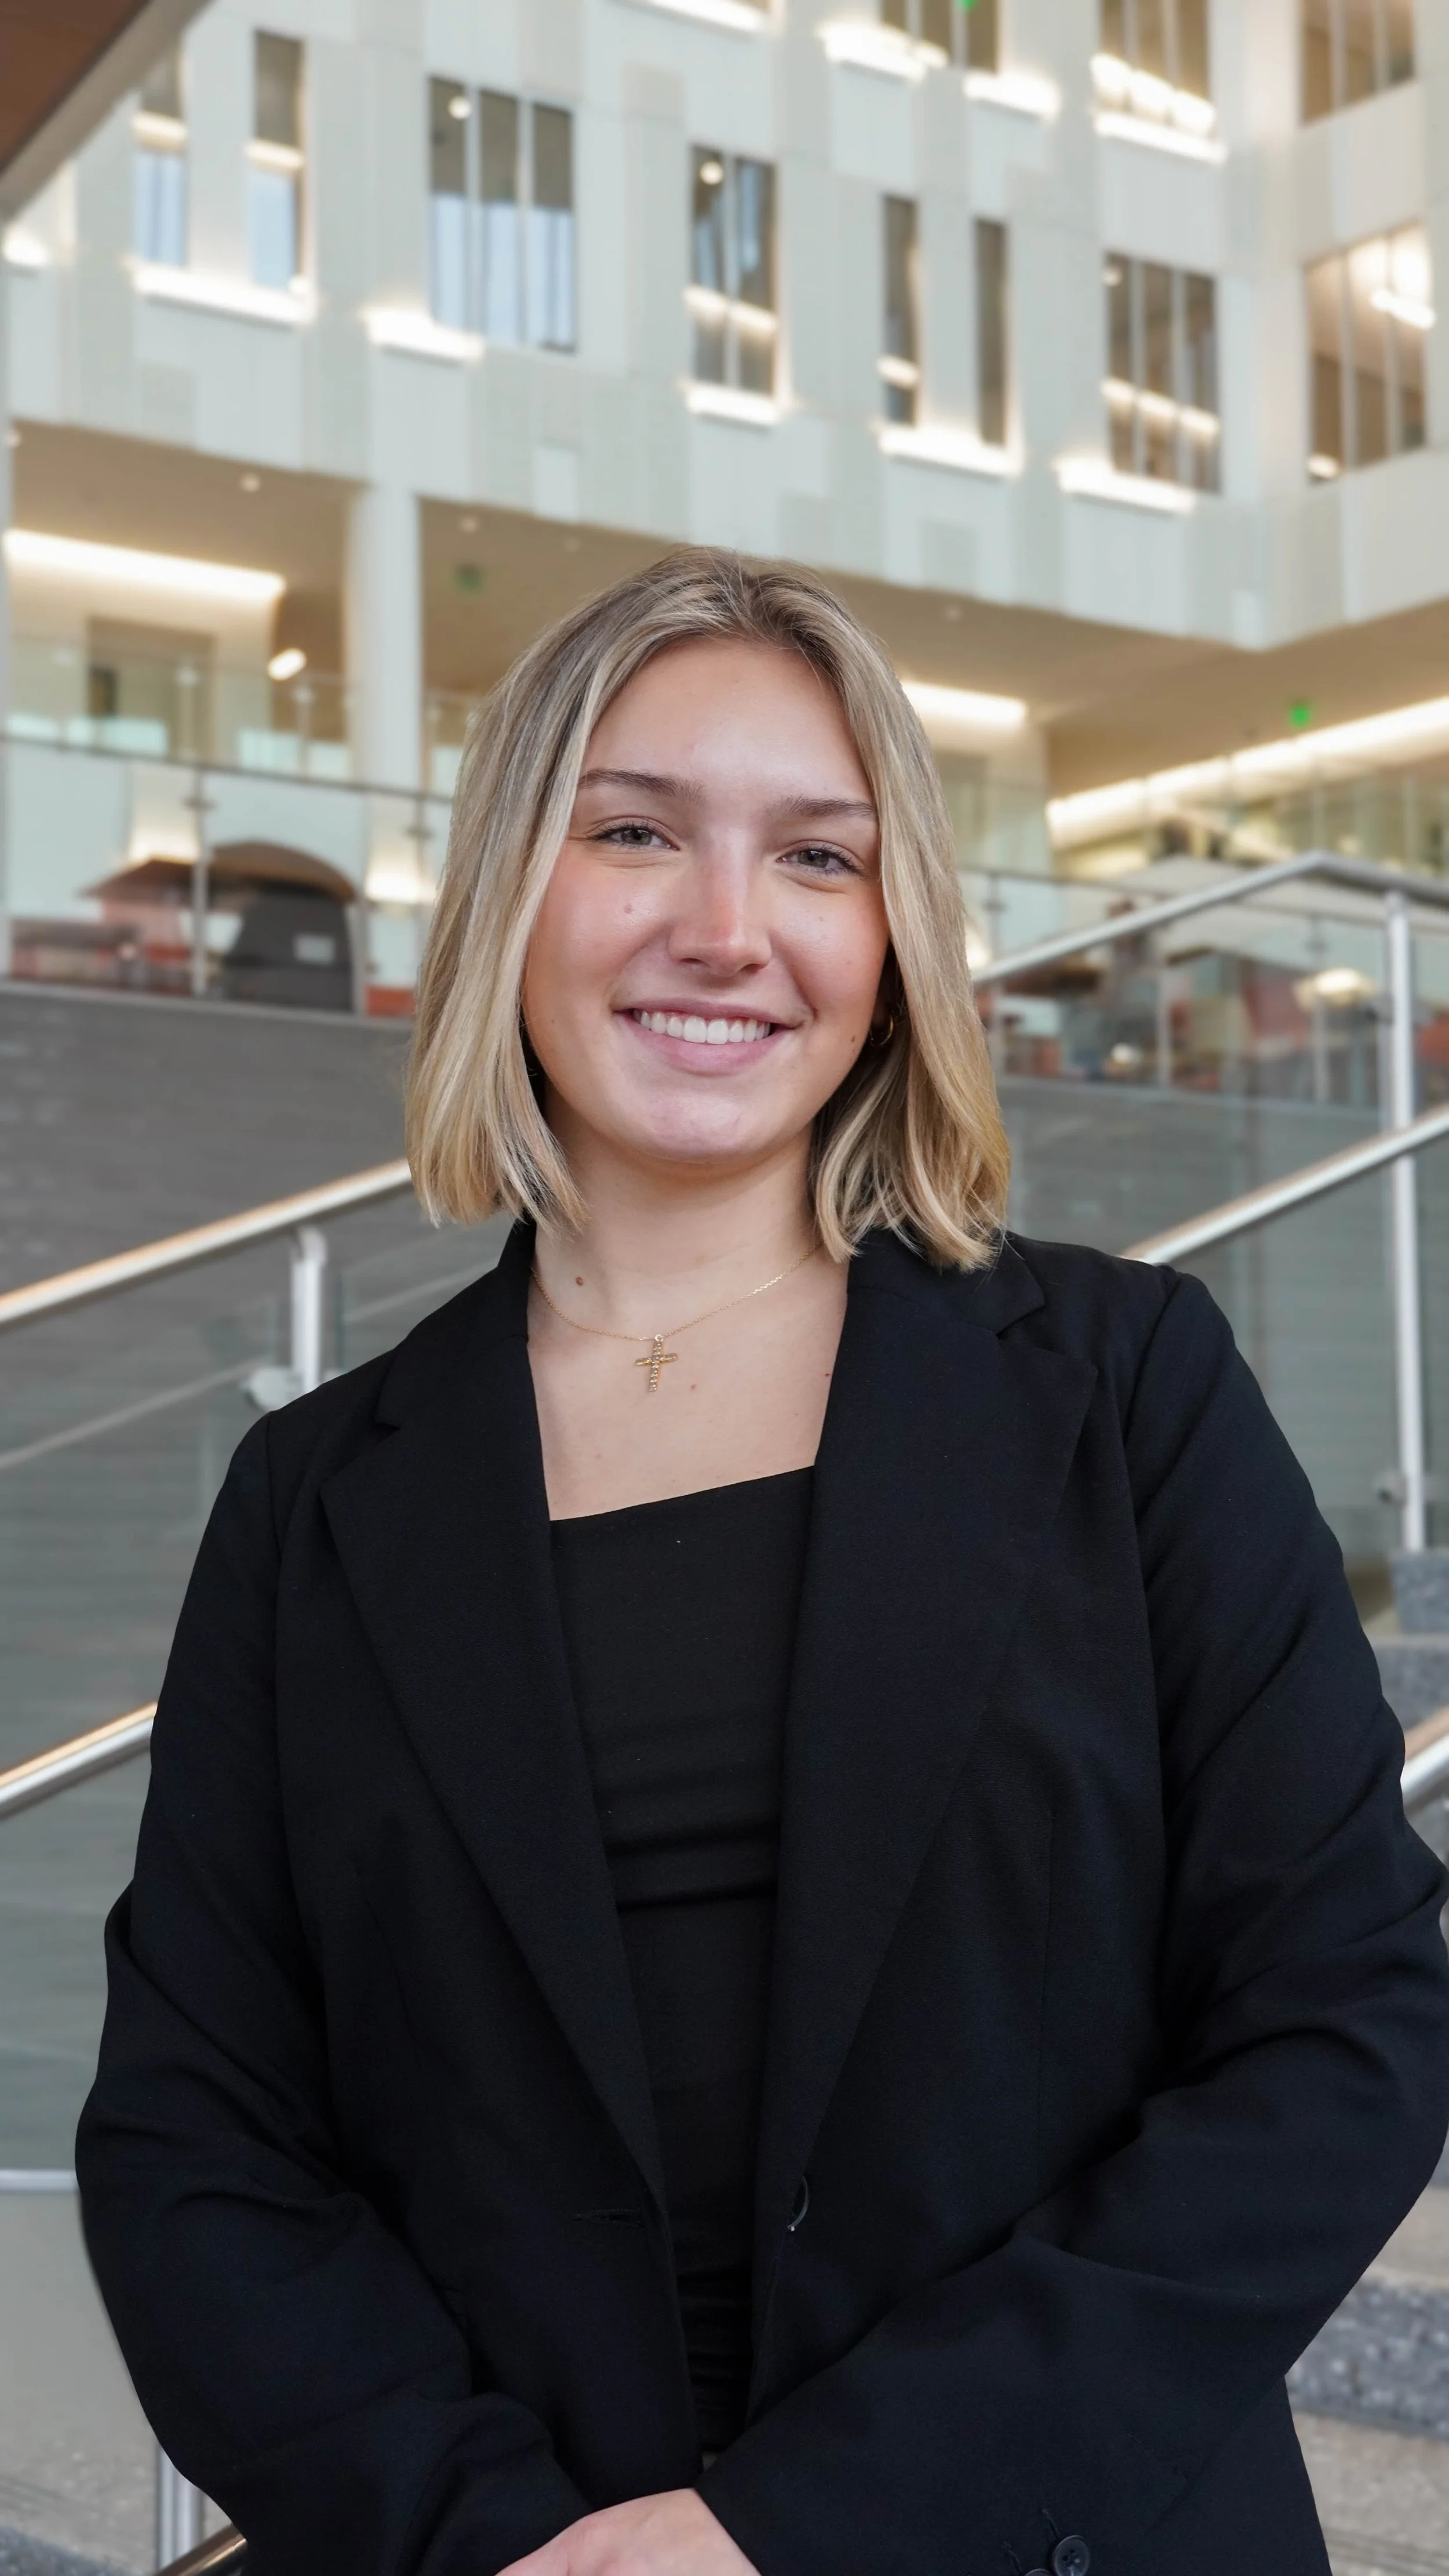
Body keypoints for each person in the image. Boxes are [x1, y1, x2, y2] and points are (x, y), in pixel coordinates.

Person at [78, 551, 1449, 2576]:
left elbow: (1342, 2021)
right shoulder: (315, 1499)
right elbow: (198, 2146)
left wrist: (790, 2536)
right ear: (505, 901)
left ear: (890, 938)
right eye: (631, 831)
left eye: (818, 858)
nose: (725, 931)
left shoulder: (1120, 1390)